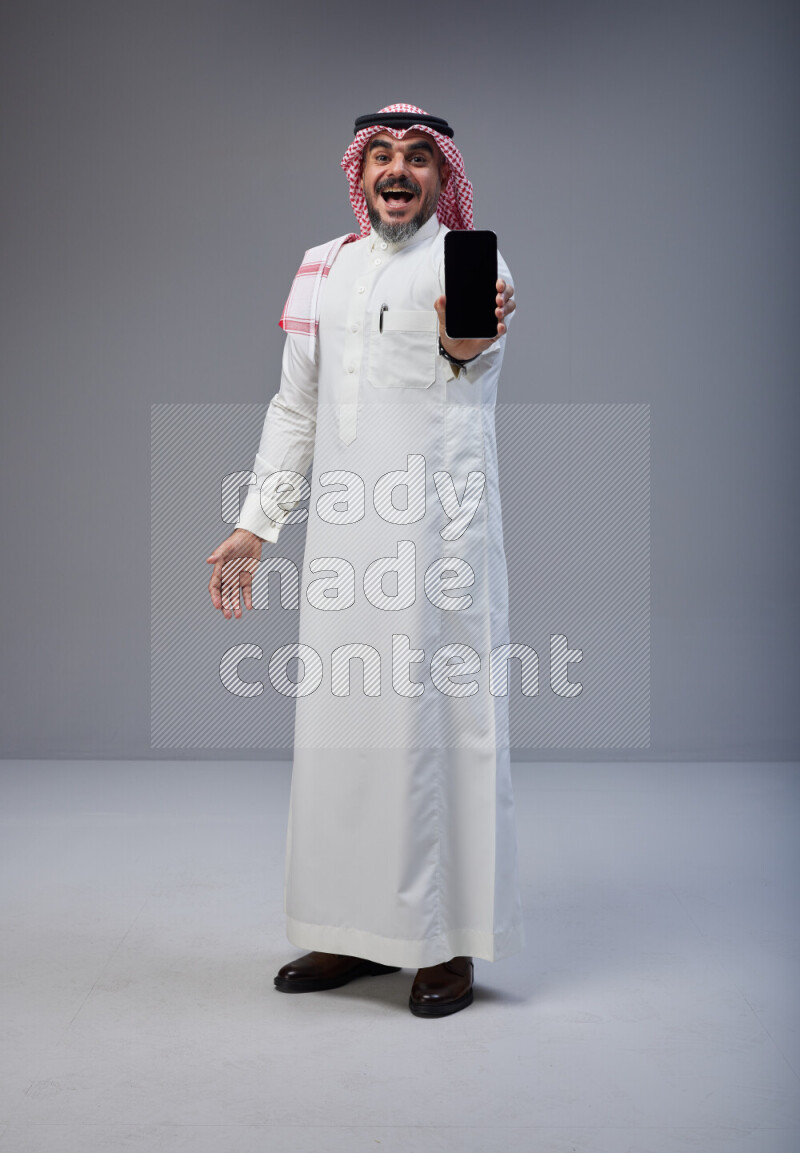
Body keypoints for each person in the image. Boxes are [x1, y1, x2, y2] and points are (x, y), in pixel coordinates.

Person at [206, 104, 523, 1017]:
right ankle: (353, 930)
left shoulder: (472, 264)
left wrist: (465, 346)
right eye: (381, 154)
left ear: (440, 176)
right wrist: (256, 522)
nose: (397, 170)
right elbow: (294, 407)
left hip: (439, 539)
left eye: (418, 158)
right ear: (360, 171)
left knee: (438, 729)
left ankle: (449, 944)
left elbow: (474, 366)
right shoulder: (323, 268)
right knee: (344, 728)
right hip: (346, 541)